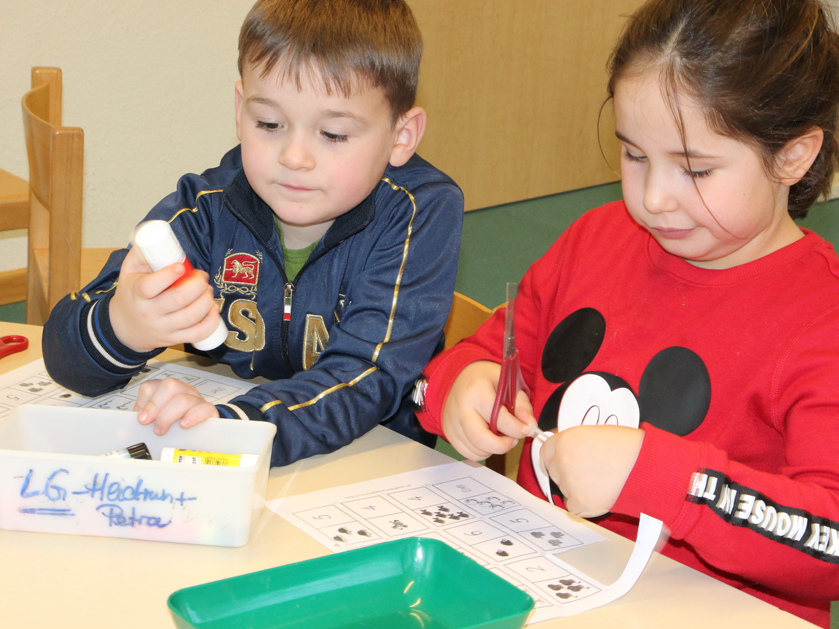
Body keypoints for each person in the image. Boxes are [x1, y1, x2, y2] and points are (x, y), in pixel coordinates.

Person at [415, 0, 839, 625]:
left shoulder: (820, 316)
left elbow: (827, 542)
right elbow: (480, 357)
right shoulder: (594, 240)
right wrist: (459, 388)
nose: (653, 197)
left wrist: (661, 477)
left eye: (695, 169)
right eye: (634, 156)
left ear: (793, 158)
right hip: (543, 586)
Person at [42, 0, 463, 467]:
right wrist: (123, 324)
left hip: (369, 462)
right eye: (269, 124)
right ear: (241, 110)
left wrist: (236, 426)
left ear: (400, 137)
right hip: (247, 444)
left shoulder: (417, 211)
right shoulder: (208, 207)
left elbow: (367, 375)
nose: (295, 157)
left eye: (335, 134)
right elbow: (64, 356)